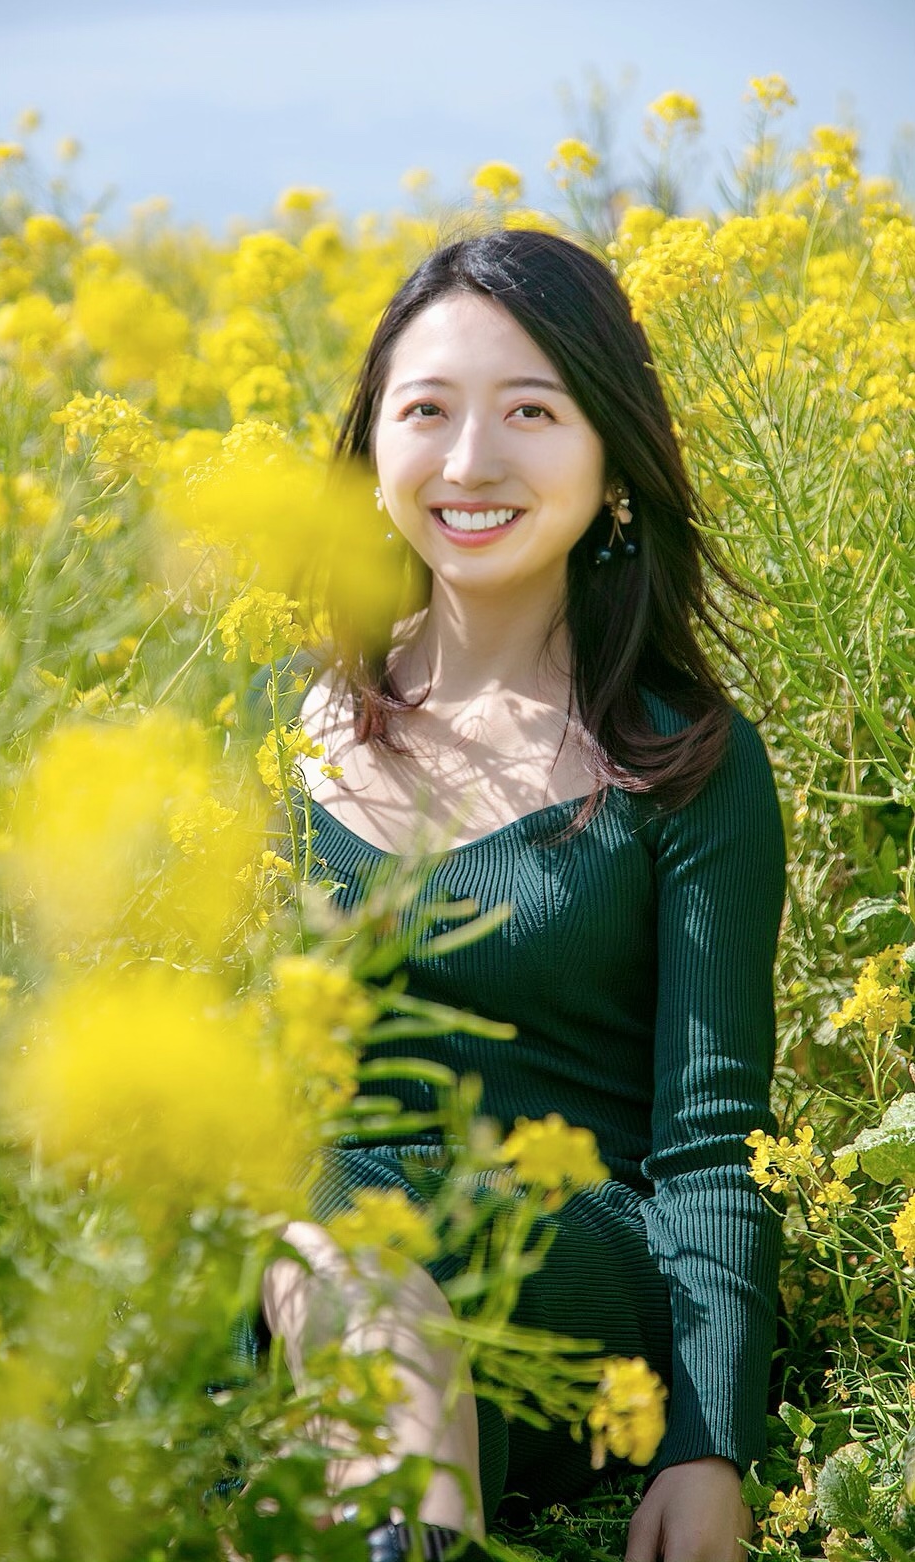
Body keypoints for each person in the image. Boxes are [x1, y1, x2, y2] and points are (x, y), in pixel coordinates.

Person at [253, 229, 786, 1562]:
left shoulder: (687, 761)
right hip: (302, 1251)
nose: (470, 461)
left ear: (611, 463)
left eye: (530, 413)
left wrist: (707, 1441)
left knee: (351, 1249)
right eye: (425, 412)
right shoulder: (270, 729)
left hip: (557, 1263)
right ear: (371, 455)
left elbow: (710, 1146)